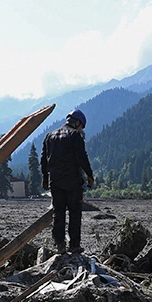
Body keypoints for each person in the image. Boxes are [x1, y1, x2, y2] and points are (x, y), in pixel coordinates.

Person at [40, 108, 94, 254]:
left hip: (55, 182)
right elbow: (82, 157)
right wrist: (89, 175)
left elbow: (44, 160)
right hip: (72, 181)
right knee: (75, 213)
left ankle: (60, 245)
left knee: (58, 213)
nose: (81, 130)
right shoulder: (75, 135)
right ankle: (74, 245)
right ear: (77, 123)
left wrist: (45, 178)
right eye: (81, 126)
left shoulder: (49, 136)